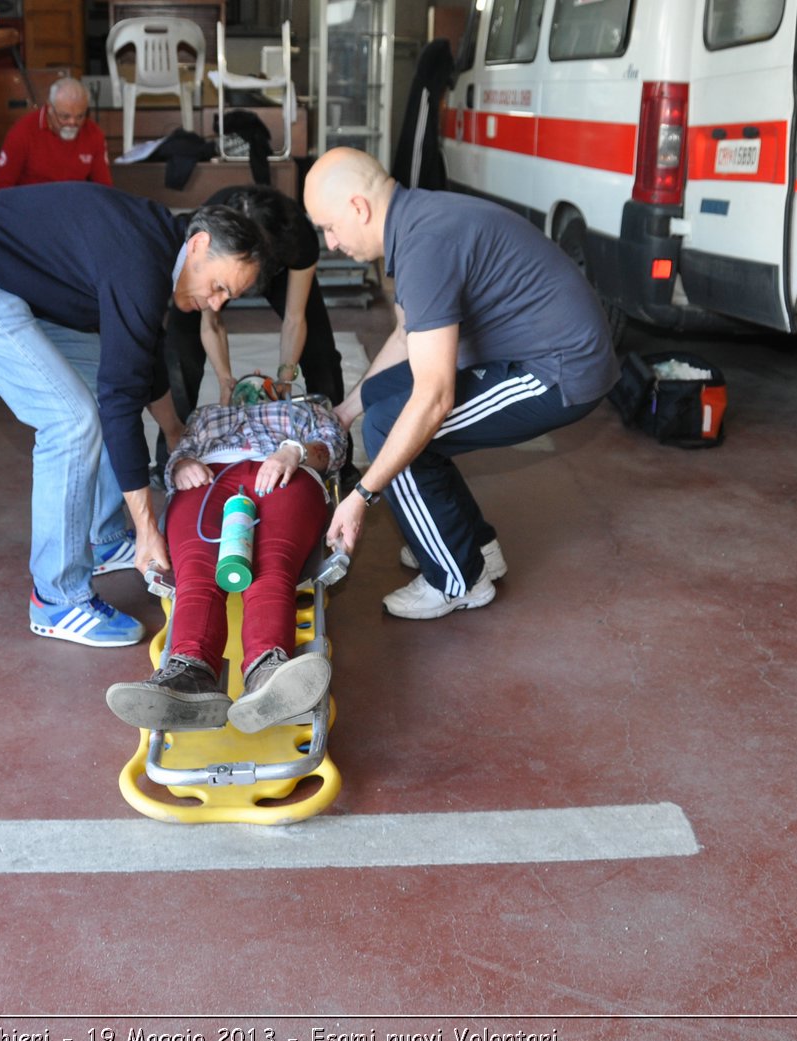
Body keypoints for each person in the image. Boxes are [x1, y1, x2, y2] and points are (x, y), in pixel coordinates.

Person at [0, 184, 267, 647]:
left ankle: (102, 536)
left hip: (3, 278)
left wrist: (174, 431)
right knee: (70, 419)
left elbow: (138, 355)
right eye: (218, 287)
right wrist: (148, 530)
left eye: (228, 297)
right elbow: (120, 397)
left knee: (102, 378)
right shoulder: (139, 263)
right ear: (199, 244)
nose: (217, 304)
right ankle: (56, 597)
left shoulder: (162, 248)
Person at [303, 147, 619, 620]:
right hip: (532, 350)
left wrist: (361, 496)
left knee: (393, 427)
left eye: (329, 227)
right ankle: (472, 546)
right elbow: (406, 337)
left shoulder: (424, 246)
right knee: (383, 402)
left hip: (560, 369)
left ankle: (457, 579)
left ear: (358, 208)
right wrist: (349, 409)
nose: (330, 243)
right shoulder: (418, 220)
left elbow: (434, 398)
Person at [106, 390, 346, 732]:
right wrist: (182, 463)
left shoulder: (305, 411)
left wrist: (293, 451)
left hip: (287, 471)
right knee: (196, 572)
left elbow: (331, 451)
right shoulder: (207, 415)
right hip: (209, 475)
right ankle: (189, 676)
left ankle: (268, 673)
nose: (257, 388)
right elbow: (180, 450)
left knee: (270, 566)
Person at [155, 185, 347, 471]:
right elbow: (212, 319)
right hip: (219, 269)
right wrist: (225, 380)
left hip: (282, 270)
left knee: (321, 354)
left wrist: (284, 376)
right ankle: (171, 457)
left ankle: (334, 455)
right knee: (180, 352)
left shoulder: (297, 237)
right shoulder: (214, 233)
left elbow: (295, 317)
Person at [0, 78, 112, 190]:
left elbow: (104, 187)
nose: (72, 123)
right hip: (31, 205)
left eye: (80, 116)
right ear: (50, 109)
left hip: (73, 204)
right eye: (65, 116)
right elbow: (2, 187)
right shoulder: (22, 133)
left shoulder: (93, 134)